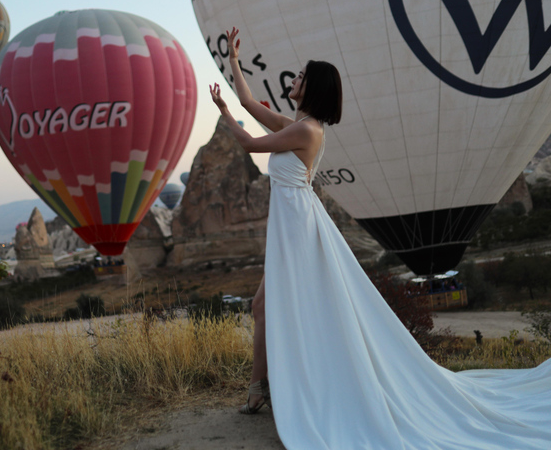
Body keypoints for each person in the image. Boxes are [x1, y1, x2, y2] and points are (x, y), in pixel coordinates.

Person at [209, 27, 551, 448]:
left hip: (299, 229)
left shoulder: (307, 131)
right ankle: (262, 388)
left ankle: (272, 389)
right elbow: (248, 102)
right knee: (263, 305)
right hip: (289, 226)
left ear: (311, 88)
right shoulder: (296, 123)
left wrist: (223, 112)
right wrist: (234, 61)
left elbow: (247, 142)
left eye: (298, 77)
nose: (291, 81)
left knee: (278, 306)